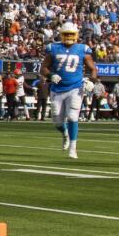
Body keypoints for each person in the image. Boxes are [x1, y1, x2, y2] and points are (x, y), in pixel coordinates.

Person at [39, 21, 97, 160]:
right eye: (67, 34)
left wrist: (92, 81)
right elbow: (43, 68)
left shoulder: (82, 49)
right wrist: (51, 75)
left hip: (75, 87)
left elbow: (93, 68)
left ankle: (73, 148)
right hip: (57, 89)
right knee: (57, 121)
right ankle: (64, 132)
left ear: (76, 35)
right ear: (61, 34)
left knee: (72, 117)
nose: (69, 37)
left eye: (71, 34)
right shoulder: (53, 48)